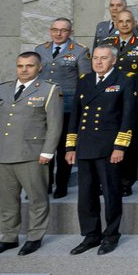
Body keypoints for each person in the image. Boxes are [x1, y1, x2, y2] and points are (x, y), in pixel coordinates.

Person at [0, 52, 63, 257]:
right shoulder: (2, 89)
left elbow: (55, 124)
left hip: (32, 154)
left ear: (39, 67)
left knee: (37, 198)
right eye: (20, 66)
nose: (24, 70)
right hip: (3, 152)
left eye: (29, 66)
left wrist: (47, 151)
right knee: (7, 199)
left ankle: (34, 237)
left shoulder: (49, 90)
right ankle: (9, 237)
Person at [65, 44, 136, 255]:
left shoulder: (124, 80)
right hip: (86, 145)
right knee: (85, 195)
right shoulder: (85, 81)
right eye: (96, 58)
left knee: (111, 193)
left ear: (113, 60)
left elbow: (128, 117)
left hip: (108, 147)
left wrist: (120, 146)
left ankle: (111, 234)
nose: (98, 62)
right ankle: (91, 234)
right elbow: (75, 117)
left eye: (103, 58)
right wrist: (71, 146)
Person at [96, 10, 138, 196]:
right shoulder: (105, 43)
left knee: (129, 143)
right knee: (106, 142)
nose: (124, 24)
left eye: (128, 21)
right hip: (108, 102)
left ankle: (125, 182)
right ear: (115, 22)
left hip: (132, 102)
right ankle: (105, 181)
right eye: (120, 21)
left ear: (134, 23)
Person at [34, 17, 92, 198]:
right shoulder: (39, 50)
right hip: (42, 106)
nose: (58, 34)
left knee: (63, 148)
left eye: (63, 30)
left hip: (66, 107)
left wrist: (82, 108)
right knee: (43, 146)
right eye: (55, 30)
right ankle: (45, 184)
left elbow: (85, 81)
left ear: (70, 32)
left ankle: (62, 185)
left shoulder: (80, 51)